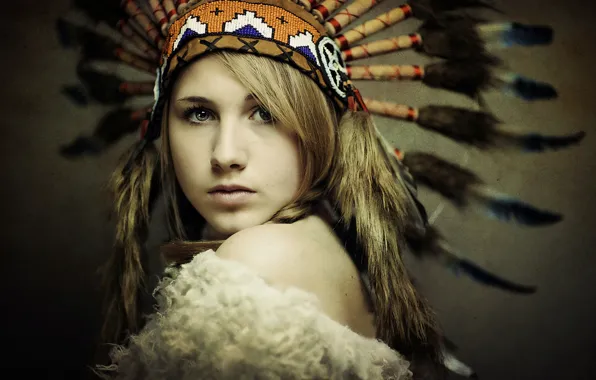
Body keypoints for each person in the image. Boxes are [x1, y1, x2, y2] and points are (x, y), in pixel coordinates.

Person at [55, 0, 585, 379]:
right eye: (197, 113)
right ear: (162, 128)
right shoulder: (323, 246)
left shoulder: (260, 258)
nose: (225, 153)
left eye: (265, 112)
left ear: (318, 127)